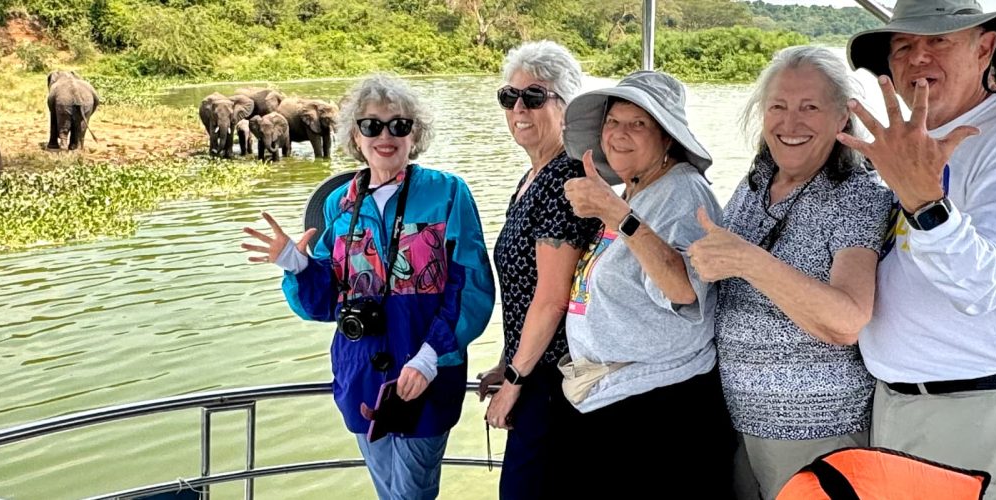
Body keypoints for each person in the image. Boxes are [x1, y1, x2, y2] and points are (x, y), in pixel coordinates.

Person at [842, 1, 996, 498]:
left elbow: (984, 284)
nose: (918, 58)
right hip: (904, 403)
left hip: (982, 406)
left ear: (986, 48)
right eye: (904, 46)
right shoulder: (909, 142)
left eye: (939, 41)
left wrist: (922, 199)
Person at [242, 74, 495, 500]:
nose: (385, 135)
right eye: (371, 125)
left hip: (425, 379)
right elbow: (324, 303)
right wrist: (295, 262)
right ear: (354, 136)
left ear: (414, 134)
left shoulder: (447, 193)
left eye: (399, 125)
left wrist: (430, 358)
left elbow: (469, 286)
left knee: (411, 494)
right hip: (360, 377)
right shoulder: (340, 202)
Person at [685, 45, 894, 500]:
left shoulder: (857, 194)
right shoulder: (757, 182)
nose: (790, 123)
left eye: (809, 107)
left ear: (842, 118)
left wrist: (746, 260)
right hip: (739, 422)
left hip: (816, 432)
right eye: (777, 106)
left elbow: (847, 319)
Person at [557, 70, 736, 498]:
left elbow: (684, 291)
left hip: (660, 414)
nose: (619, 134)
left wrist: (617, 215)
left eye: (638, 124)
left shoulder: (682, 192)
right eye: (612, 122)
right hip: (614, 400)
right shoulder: (636, 191)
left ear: (667, 138)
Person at [477, 40, 601, 499]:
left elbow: (551, 300)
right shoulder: (532, 178)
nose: (519, 109)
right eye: (509, 97)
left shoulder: (564, 181)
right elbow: (527, 293)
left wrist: (514, 382)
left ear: (566, 106)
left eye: (534, 96)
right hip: (534, 371)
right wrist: (507, 361)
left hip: (554, 380)